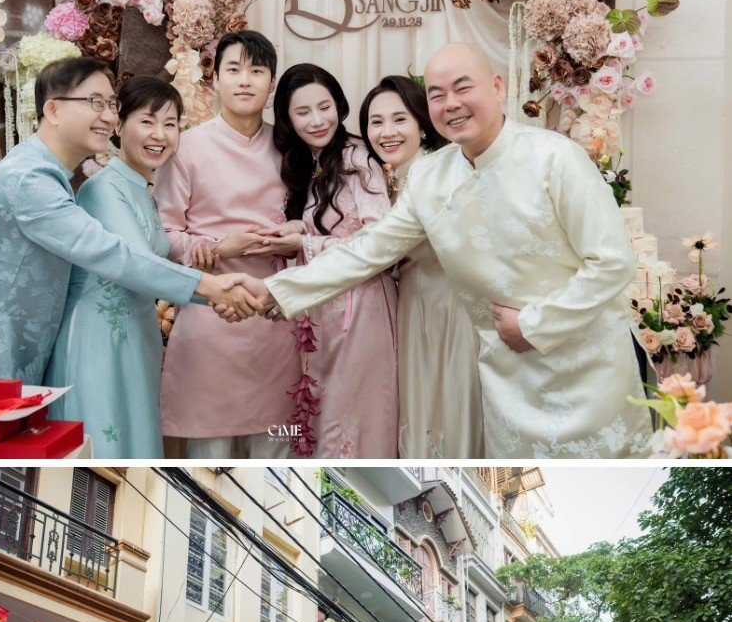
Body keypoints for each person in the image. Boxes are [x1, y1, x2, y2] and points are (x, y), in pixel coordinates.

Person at [252, 42, 650, 458]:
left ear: (497, 87)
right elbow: (368, 250)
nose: (451, 104)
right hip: (506, 377)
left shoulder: (556, 157)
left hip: (585, 370)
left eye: (463, 88)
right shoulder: (429, 176)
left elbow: (613, 263)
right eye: (437, 95)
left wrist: (533, 325)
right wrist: (278, 290)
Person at [0, 55, 262, 386]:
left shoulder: (49, 173)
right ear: (53, 109)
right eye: (96, 103)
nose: (109, 117)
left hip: (0, 348)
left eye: (111, 105)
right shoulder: (30, 179)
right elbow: (108, 253)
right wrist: (210, 287)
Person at [156, 30, 299, 458]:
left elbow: (312, 225)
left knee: (277, 455)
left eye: (256, 71)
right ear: (214, 78)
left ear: (271, 83)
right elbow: (163, 236)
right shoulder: (186, 148)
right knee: (208, 459)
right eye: (233, 70)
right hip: (209, 318)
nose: (244, 81)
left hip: (276, 321)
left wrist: (291, 242)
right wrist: (222, 247)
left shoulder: (290, 147)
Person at [46, 75, 200, 456]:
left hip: (138, 336)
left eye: (170, 124)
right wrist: (215, 294)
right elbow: (139, 264)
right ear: (119, 125)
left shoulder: (143, 191)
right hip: (98, 337)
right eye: (147, 121)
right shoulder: (103, 188)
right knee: (102, 446)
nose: (160, 135)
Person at [264, 63, 397, 458]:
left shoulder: (358, 158)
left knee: (352, 411)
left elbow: (379, 243)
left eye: (325, 107)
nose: (317, 120)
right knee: (322, 406)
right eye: (302, 112)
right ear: (287, 118)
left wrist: (305, 244)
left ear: (339, 106)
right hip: (322, 303)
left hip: (362, 304)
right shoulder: (306, 162)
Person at [359, 76, 483, 457]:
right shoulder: (388, 179)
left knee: (448, 406)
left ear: (422, 125)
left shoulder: (437, 176)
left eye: (399, 119)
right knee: (419, 408)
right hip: (413, 308)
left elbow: (378, 250)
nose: (387, 132)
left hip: (449, 311)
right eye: (376, 122)